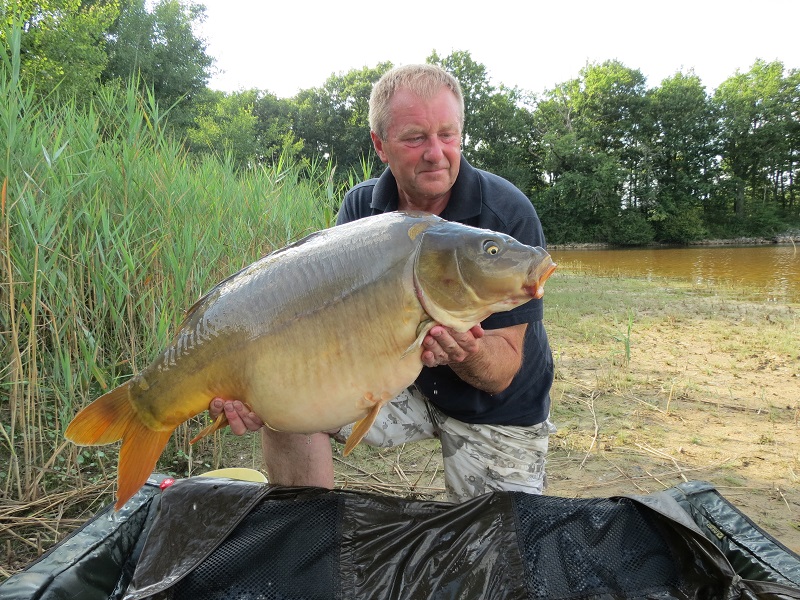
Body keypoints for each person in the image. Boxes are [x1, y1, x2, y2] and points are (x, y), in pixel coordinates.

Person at [208, 64, 555, 502]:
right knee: (286, 416)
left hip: (495, 409)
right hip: (398, 382)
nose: (436, 152)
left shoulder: (505, 217)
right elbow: (331, 332)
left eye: (447, 135)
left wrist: (466, 352)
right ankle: (304, 539)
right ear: (380, 144)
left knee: (497, 549)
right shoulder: (363, 209)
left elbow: (502, 373)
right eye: (415, 138)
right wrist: (263, 391)